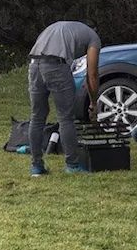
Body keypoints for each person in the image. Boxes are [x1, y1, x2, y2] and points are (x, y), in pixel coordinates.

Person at [28, 20, 100, 176]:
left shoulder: (57, 27)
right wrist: (94, 102)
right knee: (65, 117)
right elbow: (92, 74)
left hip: (34, 65)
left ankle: (36, 166)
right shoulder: (93, 36)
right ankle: (72, 166)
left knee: (37, 117)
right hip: (57, 66)